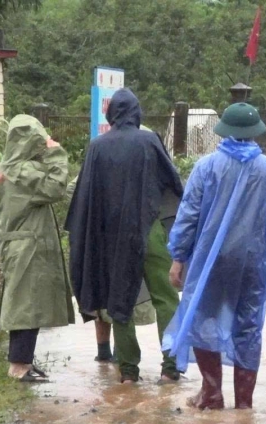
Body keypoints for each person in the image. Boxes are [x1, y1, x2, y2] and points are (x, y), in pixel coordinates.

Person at [162, 103, 266, 410]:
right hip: (254, 262)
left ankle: (211, 393)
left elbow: (188, 217)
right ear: (255, 134)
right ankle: (244, 404)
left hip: (212, 262)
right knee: (249, 326)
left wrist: (178, 257)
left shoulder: (207, 167)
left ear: (223, 132)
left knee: (204, 320)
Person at [65, 88, 184, 384]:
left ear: (111, 114)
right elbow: (174, 182)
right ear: (136, 112)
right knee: (166, 297)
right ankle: (171, 367)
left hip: (112, 239)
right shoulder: (149, 140)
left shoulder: (97, 147)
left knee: (120, 300)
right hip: (150, 232)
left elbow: (85, 199)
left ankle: (128, 372)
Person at [0, 115, 74, 382]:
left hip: (19, 244)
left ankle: (23, 361)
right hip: (28, 247)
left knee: (26, 304)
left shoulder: (6, 168)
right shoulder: (23, 171)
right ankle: (18, 366)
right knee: (27, 307)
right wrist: (56, 153)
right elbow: (56, 187)